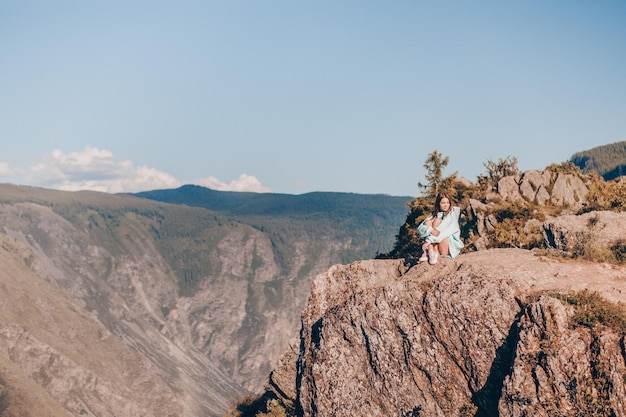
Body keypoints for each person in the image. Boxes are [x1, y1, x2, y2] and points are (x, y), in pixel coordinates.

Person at [417, 191, 464, 265]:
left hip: (447, 245)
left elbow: (441, 231)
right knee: (428, 222)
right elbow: (420, 229)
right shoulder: (434, 214)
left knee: (438, 222)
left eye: (447, 203)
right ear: (438, 204)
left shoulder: (453, 213)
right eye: (443, 203)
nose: (446, 205)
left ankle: (432, 251)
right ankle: (431, 251)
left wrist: (428, 241)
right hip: (436, 241)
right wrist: (430, 230)